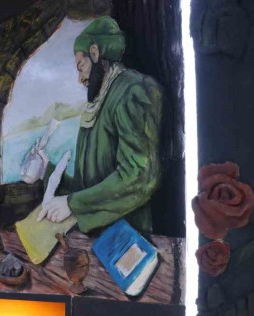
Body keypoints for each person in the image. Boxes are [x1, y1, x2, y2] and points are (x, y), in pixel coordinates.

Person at [29, 16, 163, 234]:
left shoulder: (133, 91)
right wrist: (48, 171)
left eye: (80, 67)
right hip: (99, 235)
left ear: (95, 53)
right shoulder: (100, 102)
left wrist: (72, 204)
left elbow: (139, 176)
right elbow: (90, 184)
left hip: (127, 236)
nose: (79, 79)